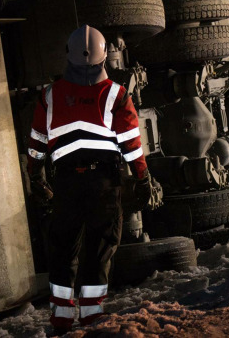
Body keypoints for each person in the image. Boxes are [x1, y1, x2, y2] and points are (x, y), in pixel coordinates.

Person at [27, 24, 153, 335]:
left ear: (68, 55)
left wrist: (36, 176)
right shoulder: (116, 94)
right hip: (103, 184)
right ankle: (91, 319)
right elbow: (132, 143)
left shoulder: (50, 95)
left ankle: (60, 319)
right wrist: (142, 176)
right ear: (104, 57)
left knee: (63, 251)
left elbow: (37, 141)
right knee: (99, 251)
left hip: (66, 184)